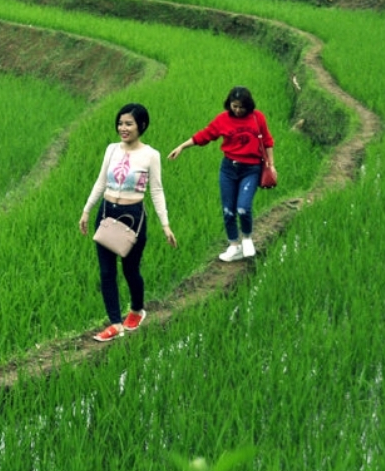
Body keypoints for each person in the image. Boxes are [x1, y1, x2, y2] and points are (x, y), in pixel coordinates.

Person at [79, 103, 177, 342]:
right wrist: (86, 210)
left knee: (130, 270)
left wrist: (165, 225)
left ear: (141, 126)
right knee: (106, 272)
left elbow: (156, 190)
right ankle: (114, 323)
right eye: (120, 123)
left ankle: (136, 309)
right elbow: (101, 182)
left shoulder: (150, 155)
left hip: (133, 215)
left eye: (129, 124)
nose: (123, 128)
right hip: (106, 212)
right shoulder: (112, 149)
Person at [168, 86, 275, 262]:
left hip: (251, 169)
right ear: (229, 104)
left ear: (248, 105)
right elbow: (205, 135)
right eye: (234, 106)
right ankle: (234, 245)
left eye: (241, 107)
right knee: (228, 210)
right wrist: (182, 146)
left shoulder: (257, 117)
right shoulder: (223, 119)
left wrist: (271, 165)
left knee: (243, 207)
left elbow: (268, 141)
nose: (238, 110)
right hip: (228, 169)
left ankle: (247, 238)